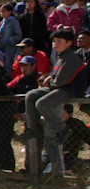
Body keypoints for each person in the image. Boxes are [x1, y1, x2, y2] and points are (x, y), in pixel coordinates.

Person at [22, 28, 88, 177]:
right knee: (31, 95)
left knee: (42, 103)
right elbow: (55, 77)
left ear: (69, 43)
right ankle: (34, 127)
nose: (55, 44)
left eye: (59, 41)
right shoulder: (60, 57)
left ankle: (61, 129)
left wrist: (50, 80)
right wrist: (50, 79)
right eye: (54, 41)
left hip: (70, 90)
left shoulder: (71, 58)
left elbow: (61, 81)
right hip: (59, 87)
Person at [0, 2, 22, 79]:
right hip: (2, 47)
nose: (2, 13)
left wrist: (9, 40)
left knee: (9, 65)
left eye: (4, 11)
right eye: (1, 11)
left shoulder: (13, 21)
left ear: (10, 11)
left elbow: (18, 34)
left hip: (10, 47)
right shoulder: (2, 22)